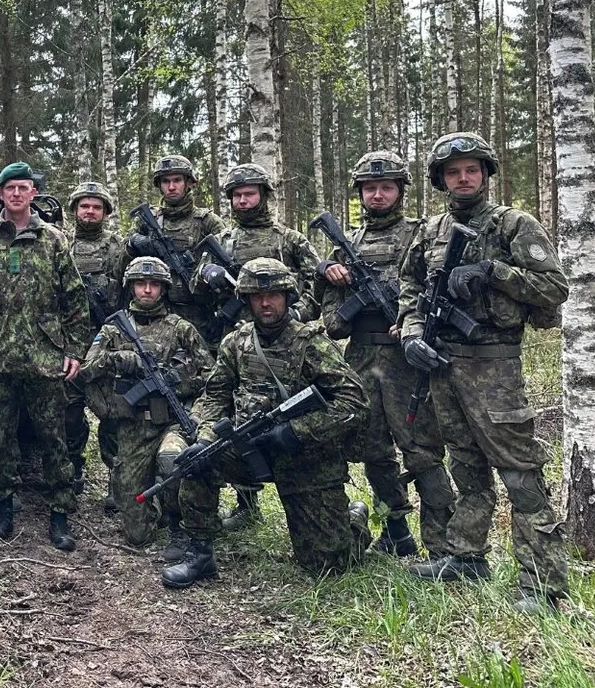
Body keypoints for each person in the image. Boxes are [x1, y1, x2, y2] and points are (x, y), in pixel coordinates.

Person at [398, 132, 569, 613]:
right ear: (441, 181)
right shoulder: (429, 231)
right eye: (453, 172)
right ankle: (466, 556)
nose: (463, 178)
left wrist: (495, 272)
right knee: (466, 466)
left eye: (472, 169)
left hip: (494, 364)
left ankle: (543, 585)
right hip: (443, 365)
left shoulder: (514, 224)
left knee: (520, 473)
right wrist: (412, 335)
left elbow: (554, 288)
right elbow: (409, 288)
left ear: (486, 173)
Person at [165, 258, 370, 589]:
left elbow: (355, 403)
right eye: (256, 296)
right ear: (245, 300)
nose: (265, 303)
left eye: (274, 294)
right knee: (198, 462)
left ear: (287, 297)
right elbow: (214, 396)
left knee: (328, 565)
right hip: (251, 450)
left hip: (307, 459)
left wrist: (295, 431)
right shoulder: (237, 342)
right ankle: (200, 551)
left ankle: (354, 522)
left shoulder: (312, 343)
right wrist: (204, 439)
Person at [317, 151, 453, 560]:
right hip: (361, 355)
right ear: (360, 193)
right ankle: (395, 527)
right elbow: (332, 320)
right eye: (370, 188)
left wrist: (412, 321)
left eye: (386, 187)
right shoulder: (349, 243)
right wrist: (330, 272)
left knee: (421, 449)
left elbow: (437, 285)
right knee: (372, 448)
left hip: (406, 358)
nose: (377, 195)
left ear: (400, 191)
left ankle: (444, 543)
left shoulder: (422, 234)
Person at [0, 161, 91, 552]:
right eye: (10, 188)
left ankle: (60, 513)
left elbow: (75, 302)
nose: (16, 194)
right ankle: (3, 508)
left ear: (33, 193)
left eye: (24, 187)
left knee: (53, 437)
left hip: (44, 358)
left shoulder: (54, 241)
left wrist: (75, 351)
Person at [192, 161, 323, 530]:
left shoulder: (289, 239)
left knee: (287, 414)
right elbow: (192, 284)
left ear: (264, 195)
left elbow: (318, 281)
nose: (243, 201)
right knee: (237, 415)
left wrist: (297, 314)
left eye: (249, 193)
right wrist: (208, 274)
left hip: (285, 341)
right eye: (236, 195)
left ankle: (306, 496)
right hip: (234, 341)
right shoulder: (225, 240)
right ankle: (246, 502)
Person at [80, 256, 212, 556]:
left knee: (172, 460)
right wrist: (118, 359)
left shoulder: (181, 328)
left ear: (163, 289)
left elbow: (211, 375)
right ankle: (156, 509)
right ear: (131, 287)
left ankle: (179, 526)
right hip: (133, 426)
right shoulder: (114, 329)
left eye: (154, 285)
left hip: (172, 421)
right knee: (136, 535)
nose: (148, 290)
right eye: (142, 284)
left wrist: (179, 378)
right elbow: (86, 370)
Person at [65, 181, 128, 496]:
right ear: (75, 210)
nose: (89, 212)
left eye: (96, 207)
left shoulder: (119, 248)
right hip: (70, 342)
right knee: (69, 411)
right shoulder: (61, 244)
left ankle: (116, 480)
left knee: (113, 414)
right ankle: (74, 470)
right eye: (84, 206)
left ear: (105, 212)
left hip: (108, 342)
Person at [145, 155, 228, 348]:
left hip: (202, 316)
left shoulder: (208, 222)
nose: (171, 187)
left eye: (177, 180)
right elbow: (124, 267)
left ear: (189, 182)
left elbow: (226, 265)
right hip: (158, 315)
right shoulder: (148, 221)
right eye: (166, 181)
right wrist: (133, 245)